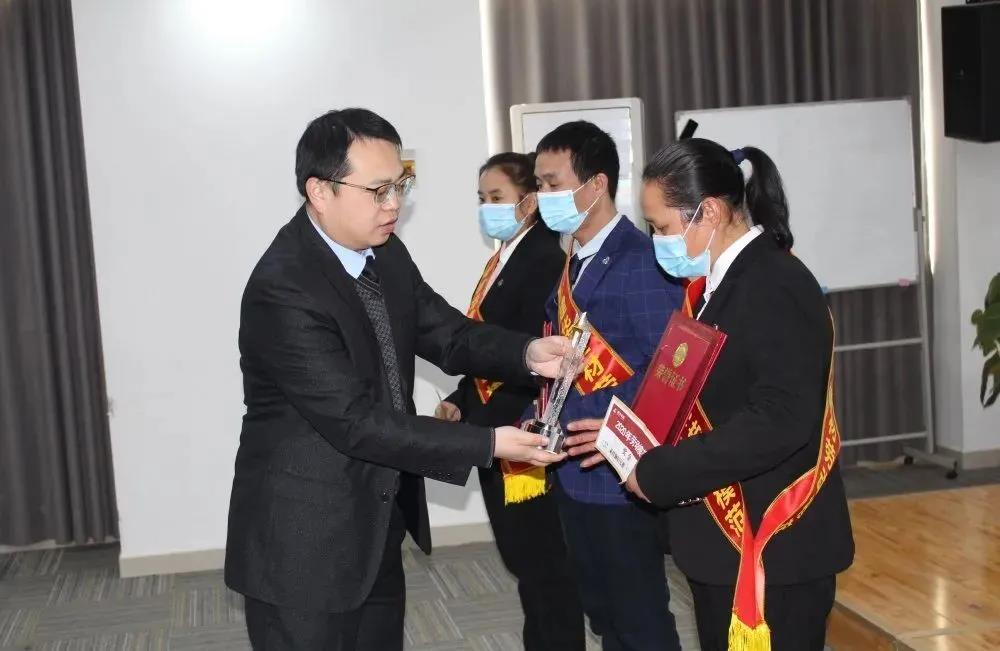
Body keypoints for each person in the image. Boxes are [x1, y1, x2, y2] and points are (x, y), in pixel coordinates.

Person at [224, 108, 572, 651]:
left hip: (376, 522)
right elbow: (356, 423)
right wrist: (489, 443)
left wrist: (527, 353)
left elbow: (449, 335)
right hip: (304, 543)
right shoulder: (284, 288)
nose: (394, 205)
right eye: (378, 190)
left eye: (400, 185)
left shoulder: (384, 253)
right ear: (320, 191)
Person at [567, 139, 855, 651]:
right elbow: (697, 394)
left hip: (772, 547)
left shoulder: (774, 284)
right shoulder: (717, 285)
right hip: (722, 539)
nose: (656, 241)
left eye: (661, 227)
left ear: (711, 212)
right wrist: (623, 434)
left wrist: (661, 472)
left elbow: (780, 419)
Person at [527, 121, 684, 651]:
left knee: (640, 620)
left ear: (596, 185)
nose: (543, 196)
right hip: (574, 472)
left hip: (620, 475)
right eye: (539, 184)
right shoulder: (574, 260)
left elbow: (669, 373)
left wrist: (619, 432)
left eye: (553, 184)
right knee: (604, 615)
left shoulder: (641, 261)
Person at [434, 152, 585, 650]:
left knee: (543, 564)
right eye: (482, 198)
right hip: (492, 425)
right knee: (525, 561)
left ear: (529, 202)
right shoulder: (504, 256)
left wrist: (486, 423)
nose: (487, 207)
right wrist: (461, 399)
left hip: (519, 430)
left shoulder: (543, 260)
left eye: (497, 197)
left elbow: (530, 355)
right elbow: (486, 346)